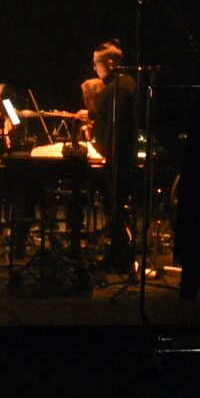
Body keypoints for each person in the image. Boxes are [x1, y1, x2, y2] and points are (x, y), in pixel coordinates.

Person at [83, 41, 139, 268]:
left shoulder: (118, 87)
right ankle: (118, 254)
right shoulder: (123, 84)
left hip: (117, 161)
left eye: (96, 63)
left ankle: (120, 257)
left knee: (115, 210)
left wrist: (104, 154)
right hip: (117, 158)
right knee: (114, 210)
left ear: (109, 63)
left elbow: (116, 128)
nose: (94, 68)